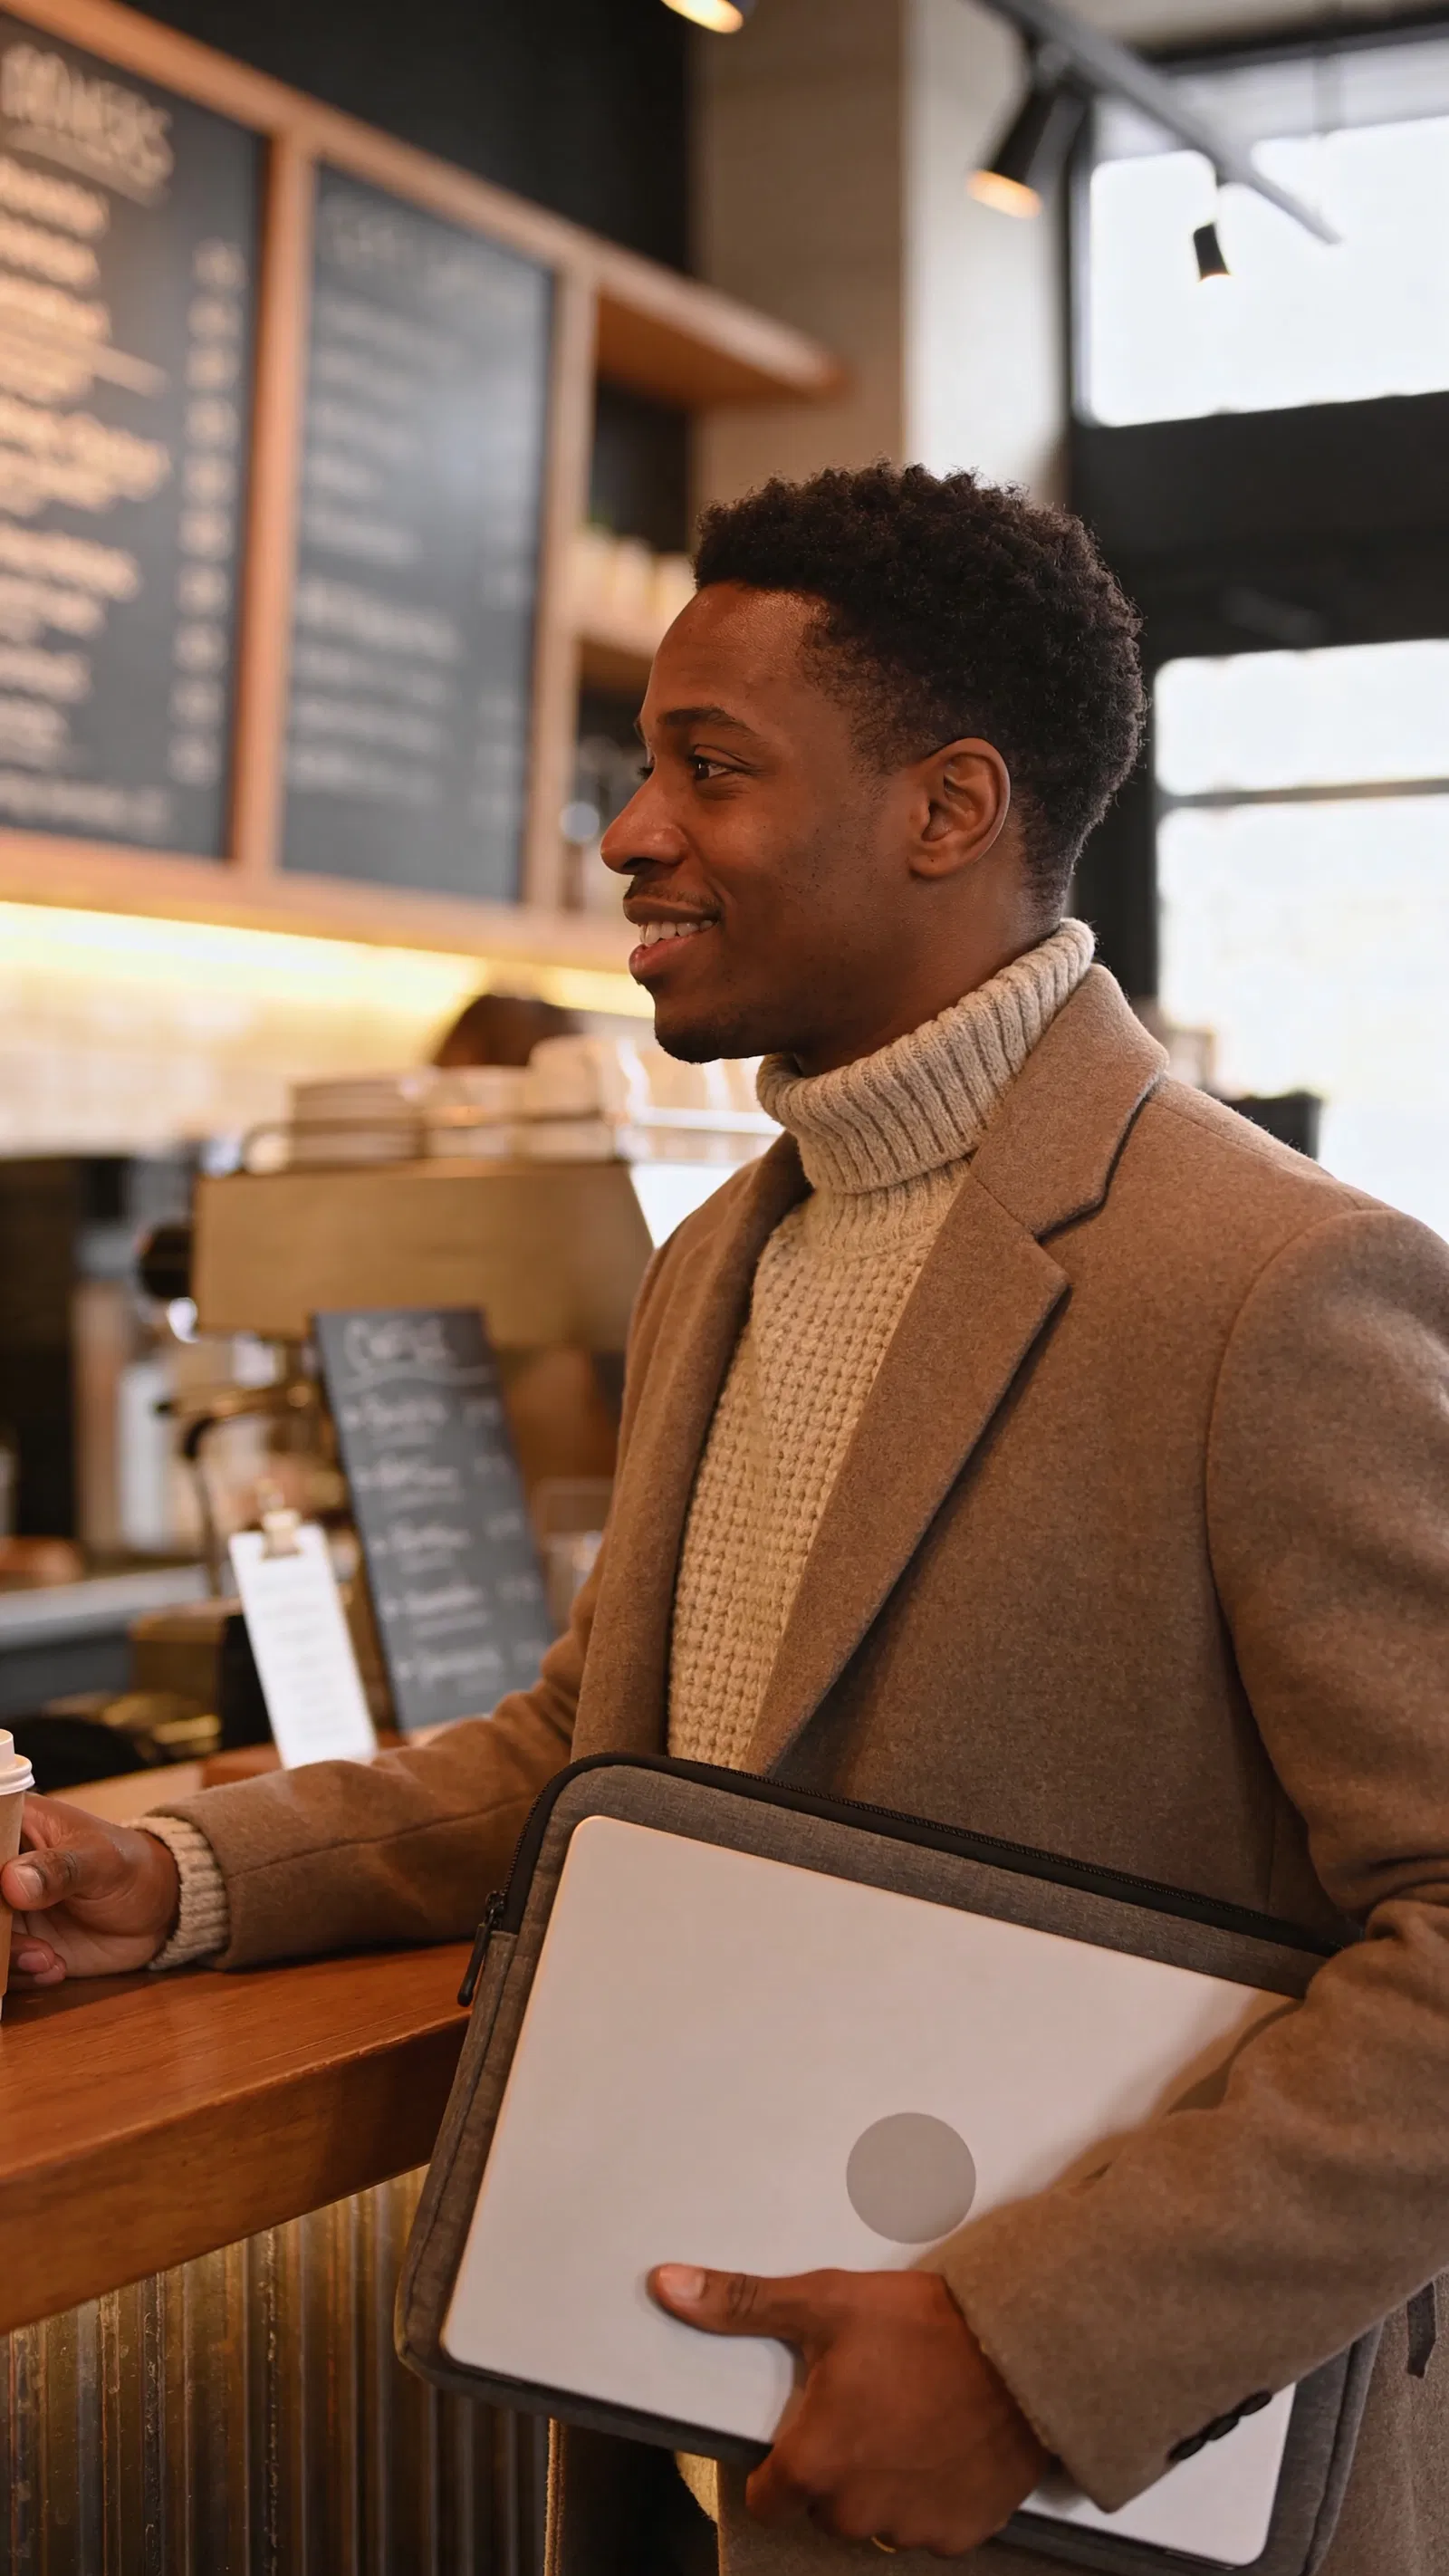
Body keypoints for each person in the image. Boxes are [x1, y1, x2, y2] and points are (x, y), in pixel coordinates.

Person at [5, 464, 1449, 2576]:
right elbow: (596, 1759)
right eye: (639, 764)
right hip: (711, 2464)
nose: (626, 833)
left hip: (1080, 2505)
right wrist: (173, 1876)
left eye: (710, 767)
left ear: (944, 811)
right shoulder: (731, 1253)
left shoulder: (1270, 1283)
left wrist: (1031, 2350)